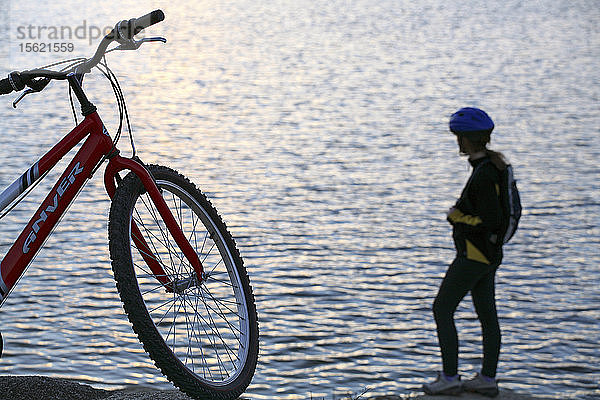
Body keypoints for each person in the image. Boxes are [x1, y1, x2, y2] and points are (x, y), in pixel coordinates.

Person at [423, 107, 509, 397]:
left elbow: (490, 220)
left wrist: (456, 217)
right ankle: (487, 379)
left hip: (474, 254)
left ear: (467, 140)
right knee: (487, 314)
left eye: (459, 137)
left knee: (442, 308)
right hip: (490, 254)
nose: (457, 142)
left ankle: (449, 378)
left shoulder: (485, 174)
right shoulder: (493, 166)